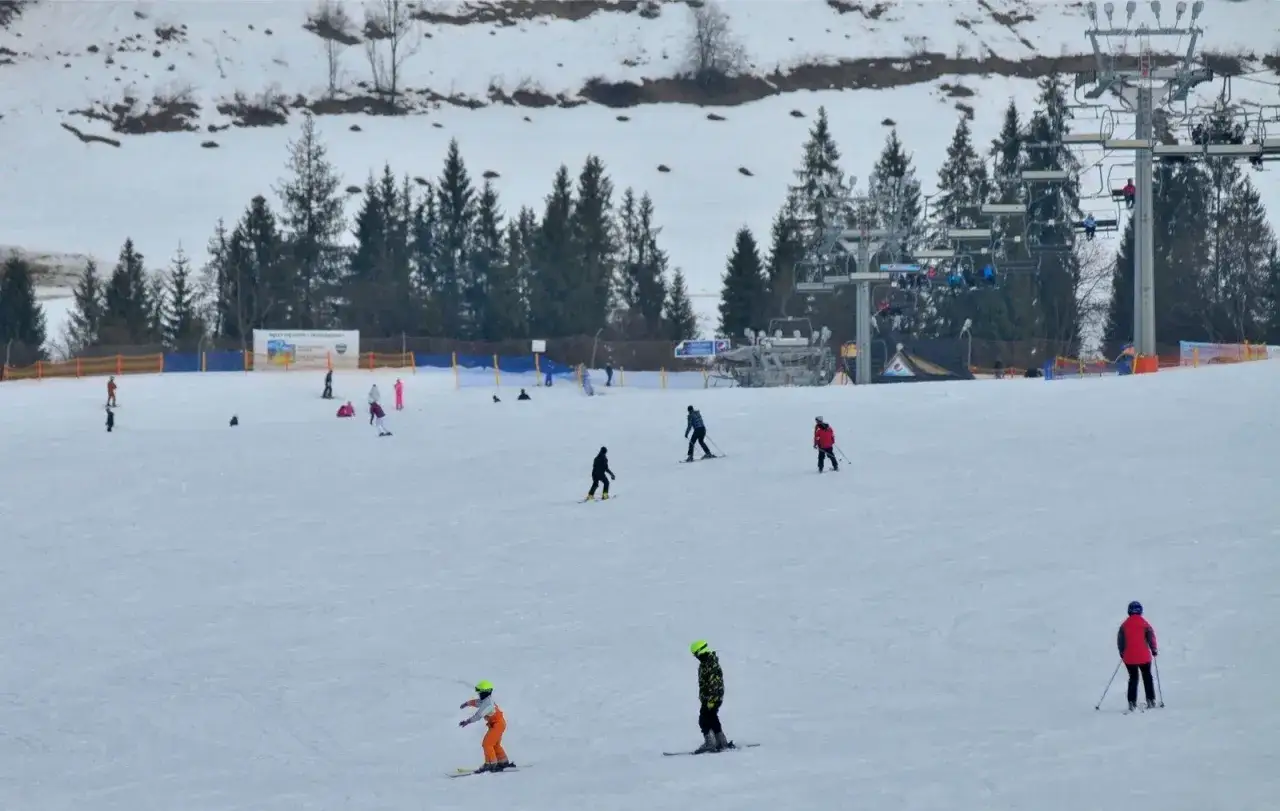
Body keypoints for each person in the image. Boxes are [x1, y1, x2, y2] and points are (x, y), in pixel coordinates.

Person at [458, 680, 513, 772]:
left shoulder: (488, 705)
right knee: (495, 744)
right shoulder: (486, 700)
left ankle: (491, 764)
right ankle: (503, 761)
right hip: (497, 724)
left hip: (497, 725)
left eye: (480, 693)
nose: (479, 694)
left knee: (487, 744)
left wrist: (467, 722)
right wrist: (467, 703)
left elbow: (478, 716)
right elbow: (477, 702)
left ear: (485, 693)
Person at [689, 640, 731, 753]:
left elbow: (715, 683)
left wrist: (712, 699)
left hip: (712, 698)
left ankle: (710, 743)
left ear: (700, 651)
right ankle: (721, 742)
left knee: (704, 719)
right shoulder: (707, 662)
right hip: (711, 697)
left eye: (695, 654)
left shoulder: (709, 663)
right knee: (712, 718)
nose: (695, 656)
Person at [1117, 600, 1158, 710]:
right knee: (1147, 676)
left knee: (1133, 678)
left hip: (1129, 658)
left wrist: (1122, 652)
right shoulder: (1144, 624)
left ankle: (1132, 702)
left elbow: (1120, 640)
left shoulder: (1124, 625)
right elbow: (1151, 637)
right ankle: (1150, 700)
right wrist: (1154, 649)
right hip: (1144, 657)